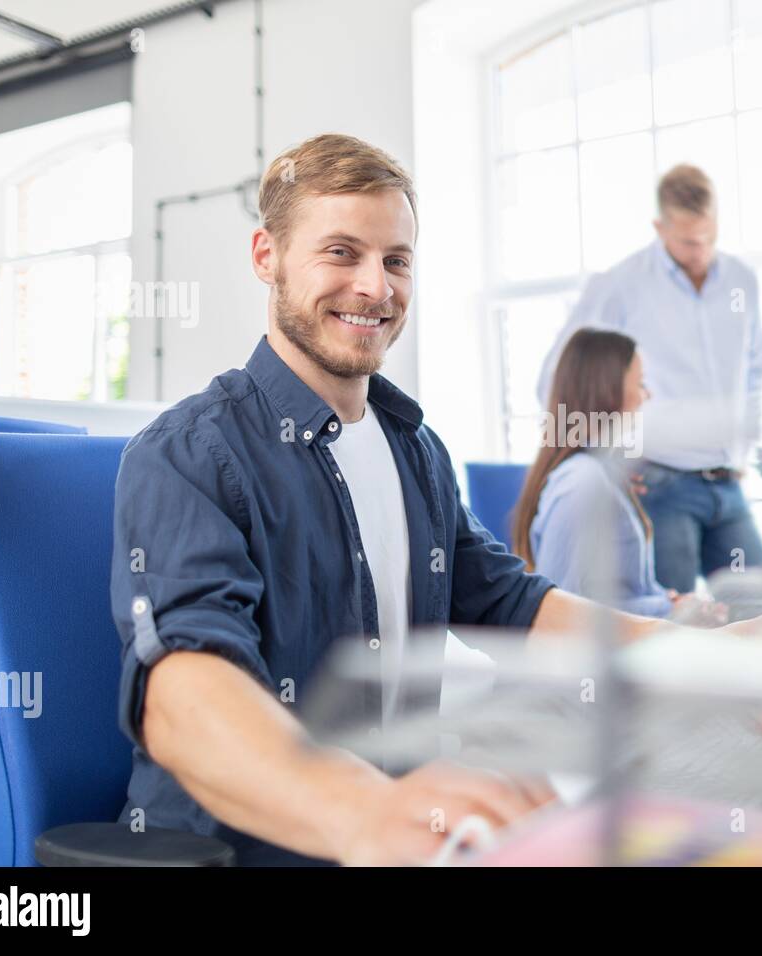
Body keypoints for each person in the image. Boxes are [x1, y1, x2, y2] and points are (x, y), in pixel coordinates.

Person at [110, 134, 721, 867]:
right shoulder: (189, 453)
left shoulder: (416, 450)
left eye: (397, 260)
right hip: (254, 849)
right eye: (341, 253)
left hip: (406, 836)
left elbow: (511, 604)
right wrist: (365, 811)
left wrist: (708, 656)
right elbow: (184, 689)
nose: (377, 287)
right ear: (266, 257)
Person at [537, 164, 762, 610]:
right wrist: (605, 457)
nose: (701, 252)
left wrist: (744, 442)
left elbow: (754, 371)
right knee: (668, 628)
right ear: (660, 227)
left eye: (710, 237)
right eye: (689, 242)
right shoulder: (622, 284)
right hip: (662, 484)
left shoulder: (741, 281)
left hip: (728, 483)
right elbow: (561, 375)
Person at [512, 327, 726, 624]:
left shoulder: (601, 474)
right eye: (639, 383)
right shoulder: (582, 482)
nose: (646, 396)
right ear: (607, 391)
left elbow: (616, 593)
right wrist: (668, 610)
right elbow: (564, 611)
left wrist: (668, 601)